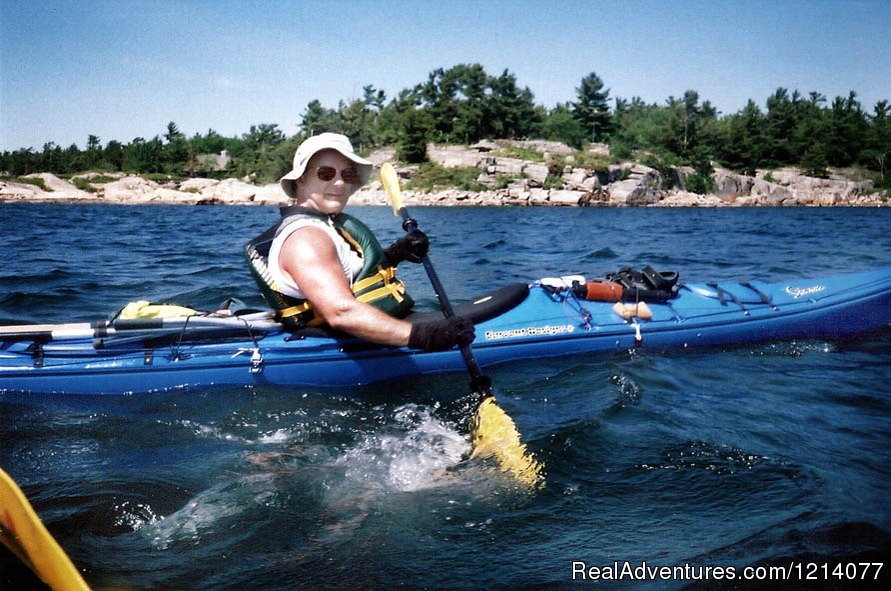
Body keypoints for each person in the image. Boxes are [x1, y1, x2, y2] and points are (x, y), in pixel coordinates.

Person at [245, 132, 475, 352]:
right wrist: (425, 336)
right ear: (302, 178)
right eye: (326, 173)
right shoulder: (307, 237)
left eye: (347, 175)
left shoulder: (323, 224)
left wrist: (397, 253)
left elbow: (344, 272)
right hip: (346, 339)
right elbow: (341, 312)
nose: (339, 184)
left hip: (367, 326)